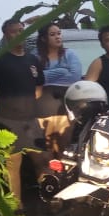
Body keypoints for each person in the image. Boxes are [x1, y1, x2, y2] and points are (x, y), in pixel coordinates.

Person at [0, 18, 44, 213]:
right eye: (14, 31)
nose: (19, 34)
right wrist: (2, 108)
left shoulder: (33, 60)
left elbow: (39, 86)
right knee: (12, 164)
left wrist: (29, 104)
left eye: (21, 30)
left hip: (30, 120)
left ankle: (49, 199)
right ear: (6, 35)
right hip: (7, 120)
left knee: (42, 159)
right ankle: (17, 208)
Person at [35, 20, 83, 157]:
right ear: (44, 38)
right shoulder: (36, 57)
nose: (57, 37)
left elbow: (74, 77)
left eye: (59, 33)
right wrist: (62, 71)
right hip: (42, 108)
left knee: (63, 146)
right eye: (52, 34)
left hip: (65, 106)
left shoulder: (70, 54)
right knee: (47, 148)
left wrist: (45, 76)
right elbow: (34, 78)